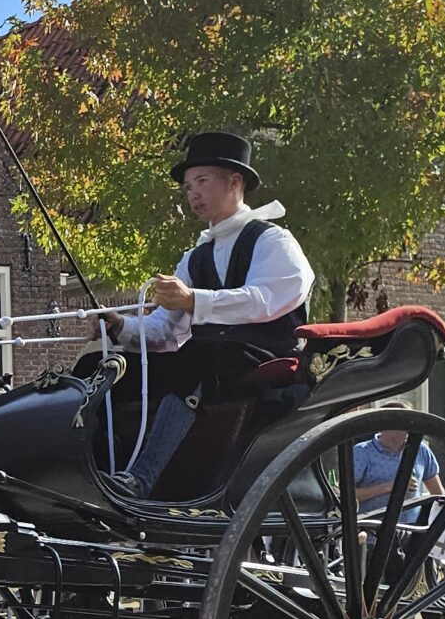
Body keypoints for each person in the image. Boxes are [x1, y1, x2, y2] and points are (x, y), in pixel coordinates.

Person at [95, 132, 314, 496]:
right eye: (188, 187)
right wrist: (122, 328)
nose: (193, 194)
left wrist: (194, 300)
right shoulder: (195, 258)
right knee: (111, 369)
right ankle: (97, 470)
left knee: (196, 356)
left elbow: (266, 299)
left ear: (234, 182)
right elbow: (166, 329)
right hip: (213, 361)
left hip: (266, 357)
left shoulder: (273, 241)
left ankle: (142, 478)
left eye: (202, 181)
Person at [350, 403, 445, 519]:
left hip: (412, 528)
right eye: (405, 422)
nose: (410, 428)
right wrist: (392, 486)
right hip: (372, 528)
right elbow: (346, 496)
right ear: (384, 425)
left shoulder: (421, 450)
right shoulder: (361, 452)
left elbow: (438, 494)